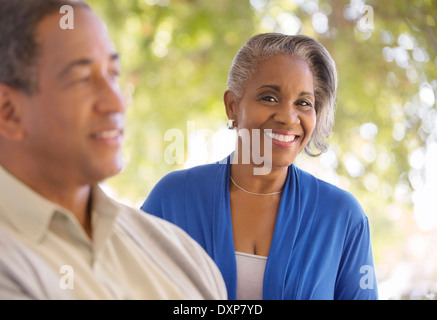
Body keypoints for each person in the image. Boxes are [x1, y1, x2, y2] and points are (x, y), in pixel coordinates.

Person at [0, 0, 227, 300]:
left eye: (113, 74)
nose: (117, 103)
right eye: (82, 79)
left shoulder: (181, 256)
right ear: (9, 113)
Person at [142, 33, 379, 300]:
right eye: (269, 97)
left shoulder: (343, 218)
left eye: (303, 103)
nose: (288, 118)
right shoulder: (173, 198)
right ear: (232, 106)